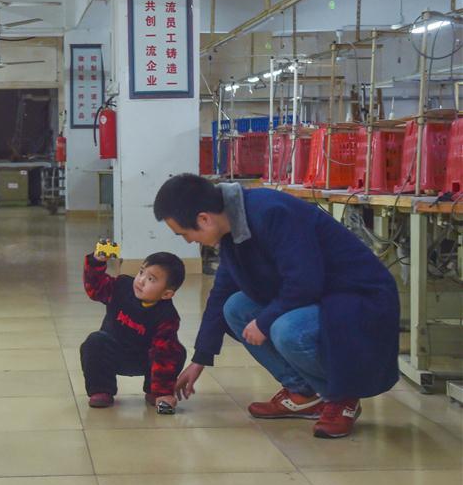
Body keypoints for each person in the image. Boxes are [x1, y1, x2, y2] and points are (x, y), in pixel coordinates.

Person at [153, 174, 399, 438]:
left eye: (184, 234)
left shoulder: (271, 212)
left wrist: (265, 320)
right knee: (235, 308)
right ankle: (304, 394)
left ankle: (342, 397)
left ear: (204, 219)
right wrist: (199, 359)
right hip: (320, 296)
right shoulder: (230, 227)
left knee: (285, 329)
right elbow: (221, 293)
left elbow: (305, 281)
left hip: (357, 299)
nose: (189, 241)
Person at [80, 247, 187, 411]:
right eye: (141, 272)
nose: (141, 280)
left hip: (146, 360)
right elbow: (96, 288)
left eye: (151, 279)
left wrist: (163, 392)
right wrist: (96, 262)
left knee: (176, 351)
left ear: (166, 294)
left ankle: (154, 391)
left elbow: (164, 353)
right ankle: (101, 390)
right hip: (113, 355)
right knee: (95, 341)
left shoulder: (167, 316)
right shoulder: (122, 286)